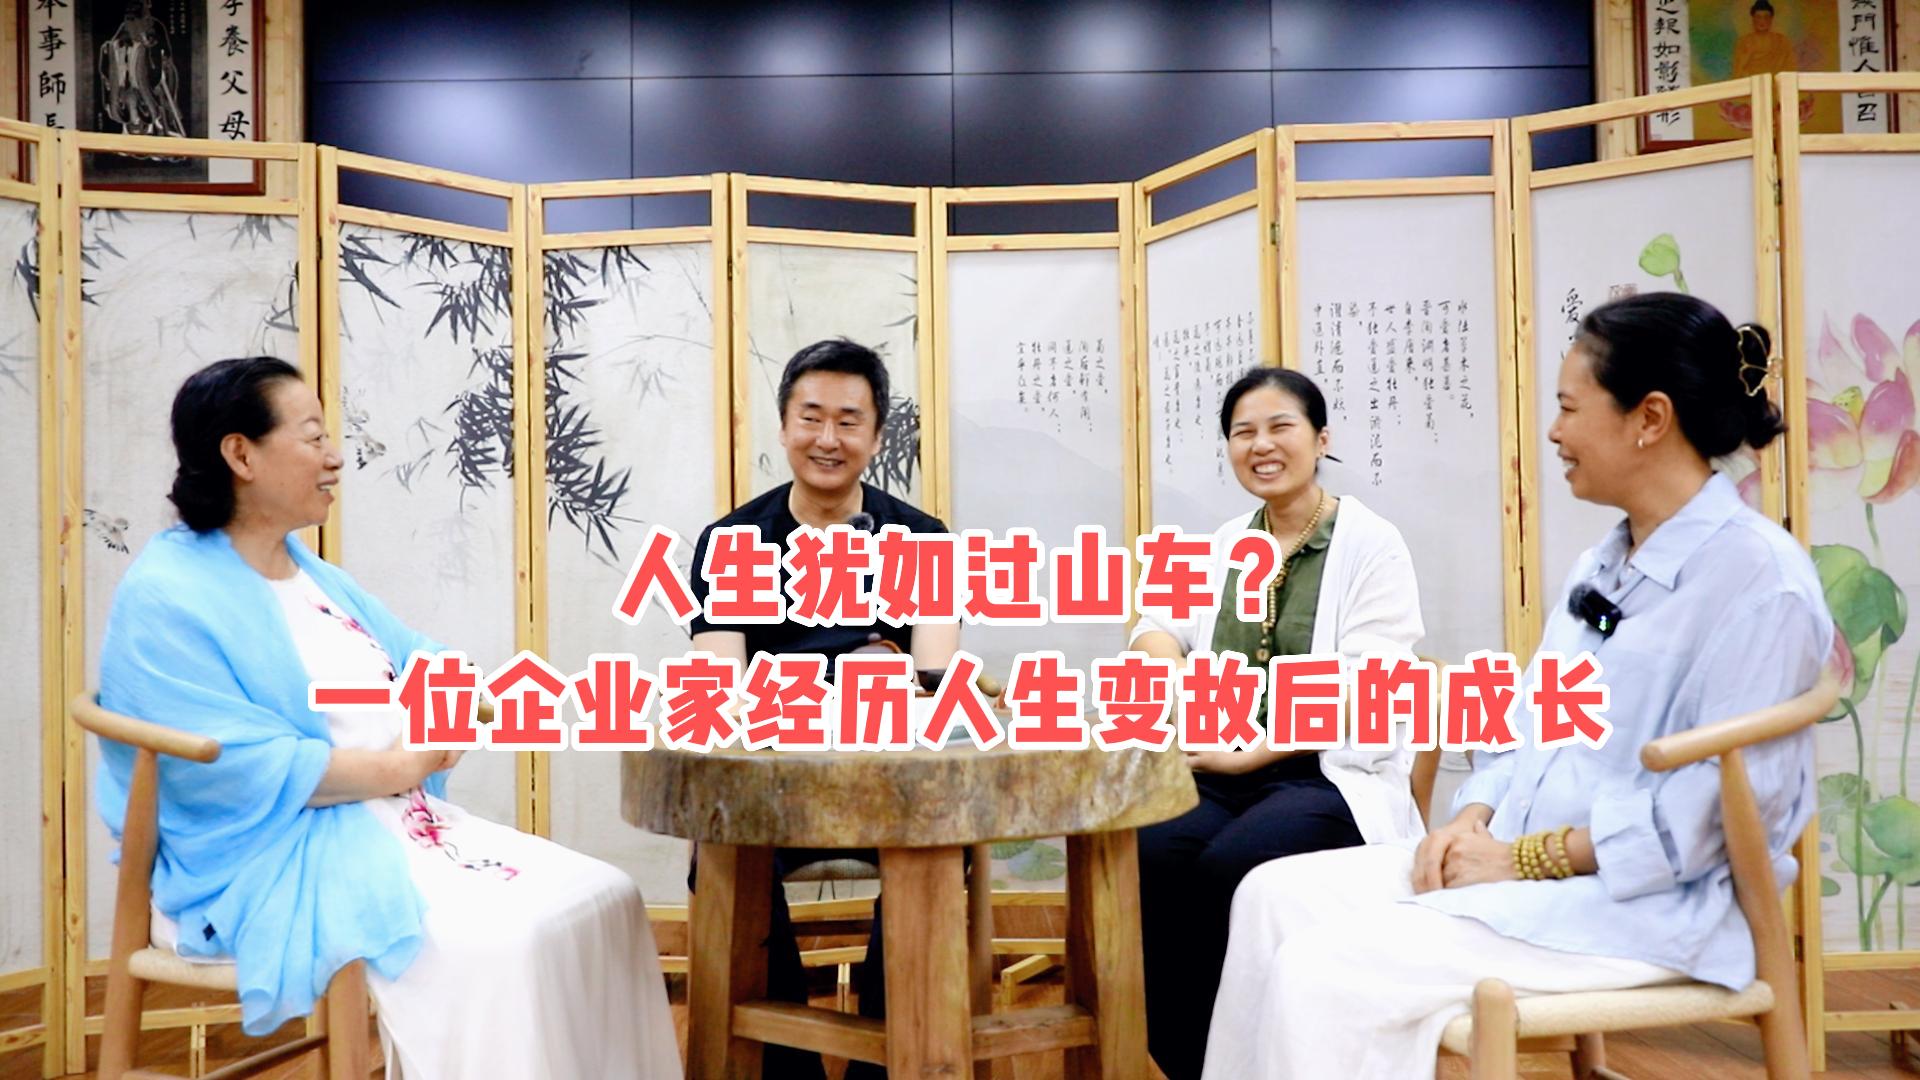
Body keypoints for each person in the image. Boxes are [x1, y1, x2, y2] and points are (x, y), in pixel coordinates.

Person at [1202, 294, 1833, 1078]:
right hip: (1520, 863)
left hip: (1645, 906)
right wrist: (1469, 819)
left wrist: (1527, 859)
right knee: (1269, 896)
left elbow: (1711, 822)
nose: (1555, 433)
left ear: (1649, 418)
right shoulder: (1606, 562)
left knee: (1323, 967)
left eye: (1569, 407)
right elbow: (1525, 726)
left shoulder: (1760, 583)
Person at [95, 357, 679, 1079]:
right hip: (267, 854)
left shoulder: (307, 571)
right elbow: (229, 766)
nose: (335, 456)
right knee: (509, 939)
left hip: (391, 819)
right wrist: (405, 765)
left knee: (606, 898)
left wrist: (449, 711)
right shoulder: (165, 593)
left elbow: (419, 657)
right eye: (313, 436)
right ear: (241, 455)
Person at [1127, 367, 1426, 1080]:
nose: (1261, 445)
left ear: (1320, 438)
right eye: (1243, 433)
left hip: (1327, 776)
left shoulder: (1371, 543)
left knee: (1233, 866)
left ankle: (1263, 1058)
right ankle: (1192, 1060)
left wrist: (1251, 755)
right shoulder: (1224, 541)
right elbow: (1154, 625)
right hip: (1218, 769)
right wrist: (1171, 668)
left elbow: (1367, 682)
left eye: (1280, 427)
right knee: (1148, 851)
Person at [686, 337, 959, 1080]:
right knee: (721, 848)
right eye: (811, 418)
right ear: (783, 427)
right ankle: (786, 1066)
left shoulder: (923, 540)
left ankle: (889, 1059)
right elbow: (723, 692)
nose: (828, 439)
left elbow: (933, 686)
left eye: (849, 420)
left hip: (893, 784)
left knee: (937, 853)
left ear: (877, 434)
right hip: (773, 784)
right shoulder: (732, 542)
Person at [1732, 0, 1796, 78]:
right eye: (1758, 17)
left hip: (1775, 82)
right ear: (1753, 19)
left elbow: (1789, 69)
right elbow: (1738, 70)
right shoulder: (1744, 42)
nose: (1762, 21)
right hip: (1752, 81)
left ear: (1771, 19)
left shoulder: (1781, 41)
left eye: (1766, 17)